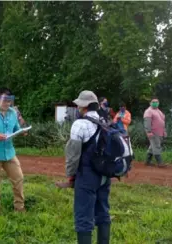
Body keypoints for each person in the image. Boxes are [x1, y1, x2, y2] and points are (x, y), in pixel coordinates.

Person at [61, 90, 111, 244]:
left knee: (83, 216)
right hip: (105, 175)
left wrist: (70, 175)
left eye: (79, 105)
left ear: (84, 106)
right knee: (103, 212)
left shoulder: (80, 124)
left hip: (87, 176)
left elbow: (73, 155)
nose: (78, 108)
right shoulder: (106, 121)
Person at [144, 97, 167, 167]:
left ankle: (147, 161)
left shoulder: (158, 111)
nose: (155, 103)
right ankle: (160, 163)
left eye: (157, 102)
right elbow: (147, 122)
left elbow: (162, 122)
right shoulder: (148, 111)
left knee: (152, 147)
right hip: (153, 132)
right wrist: (148, 131)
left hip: (160, 132)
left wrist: (164, 131)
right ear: (150, 103)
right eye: (153, 102)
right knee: (156, 146)